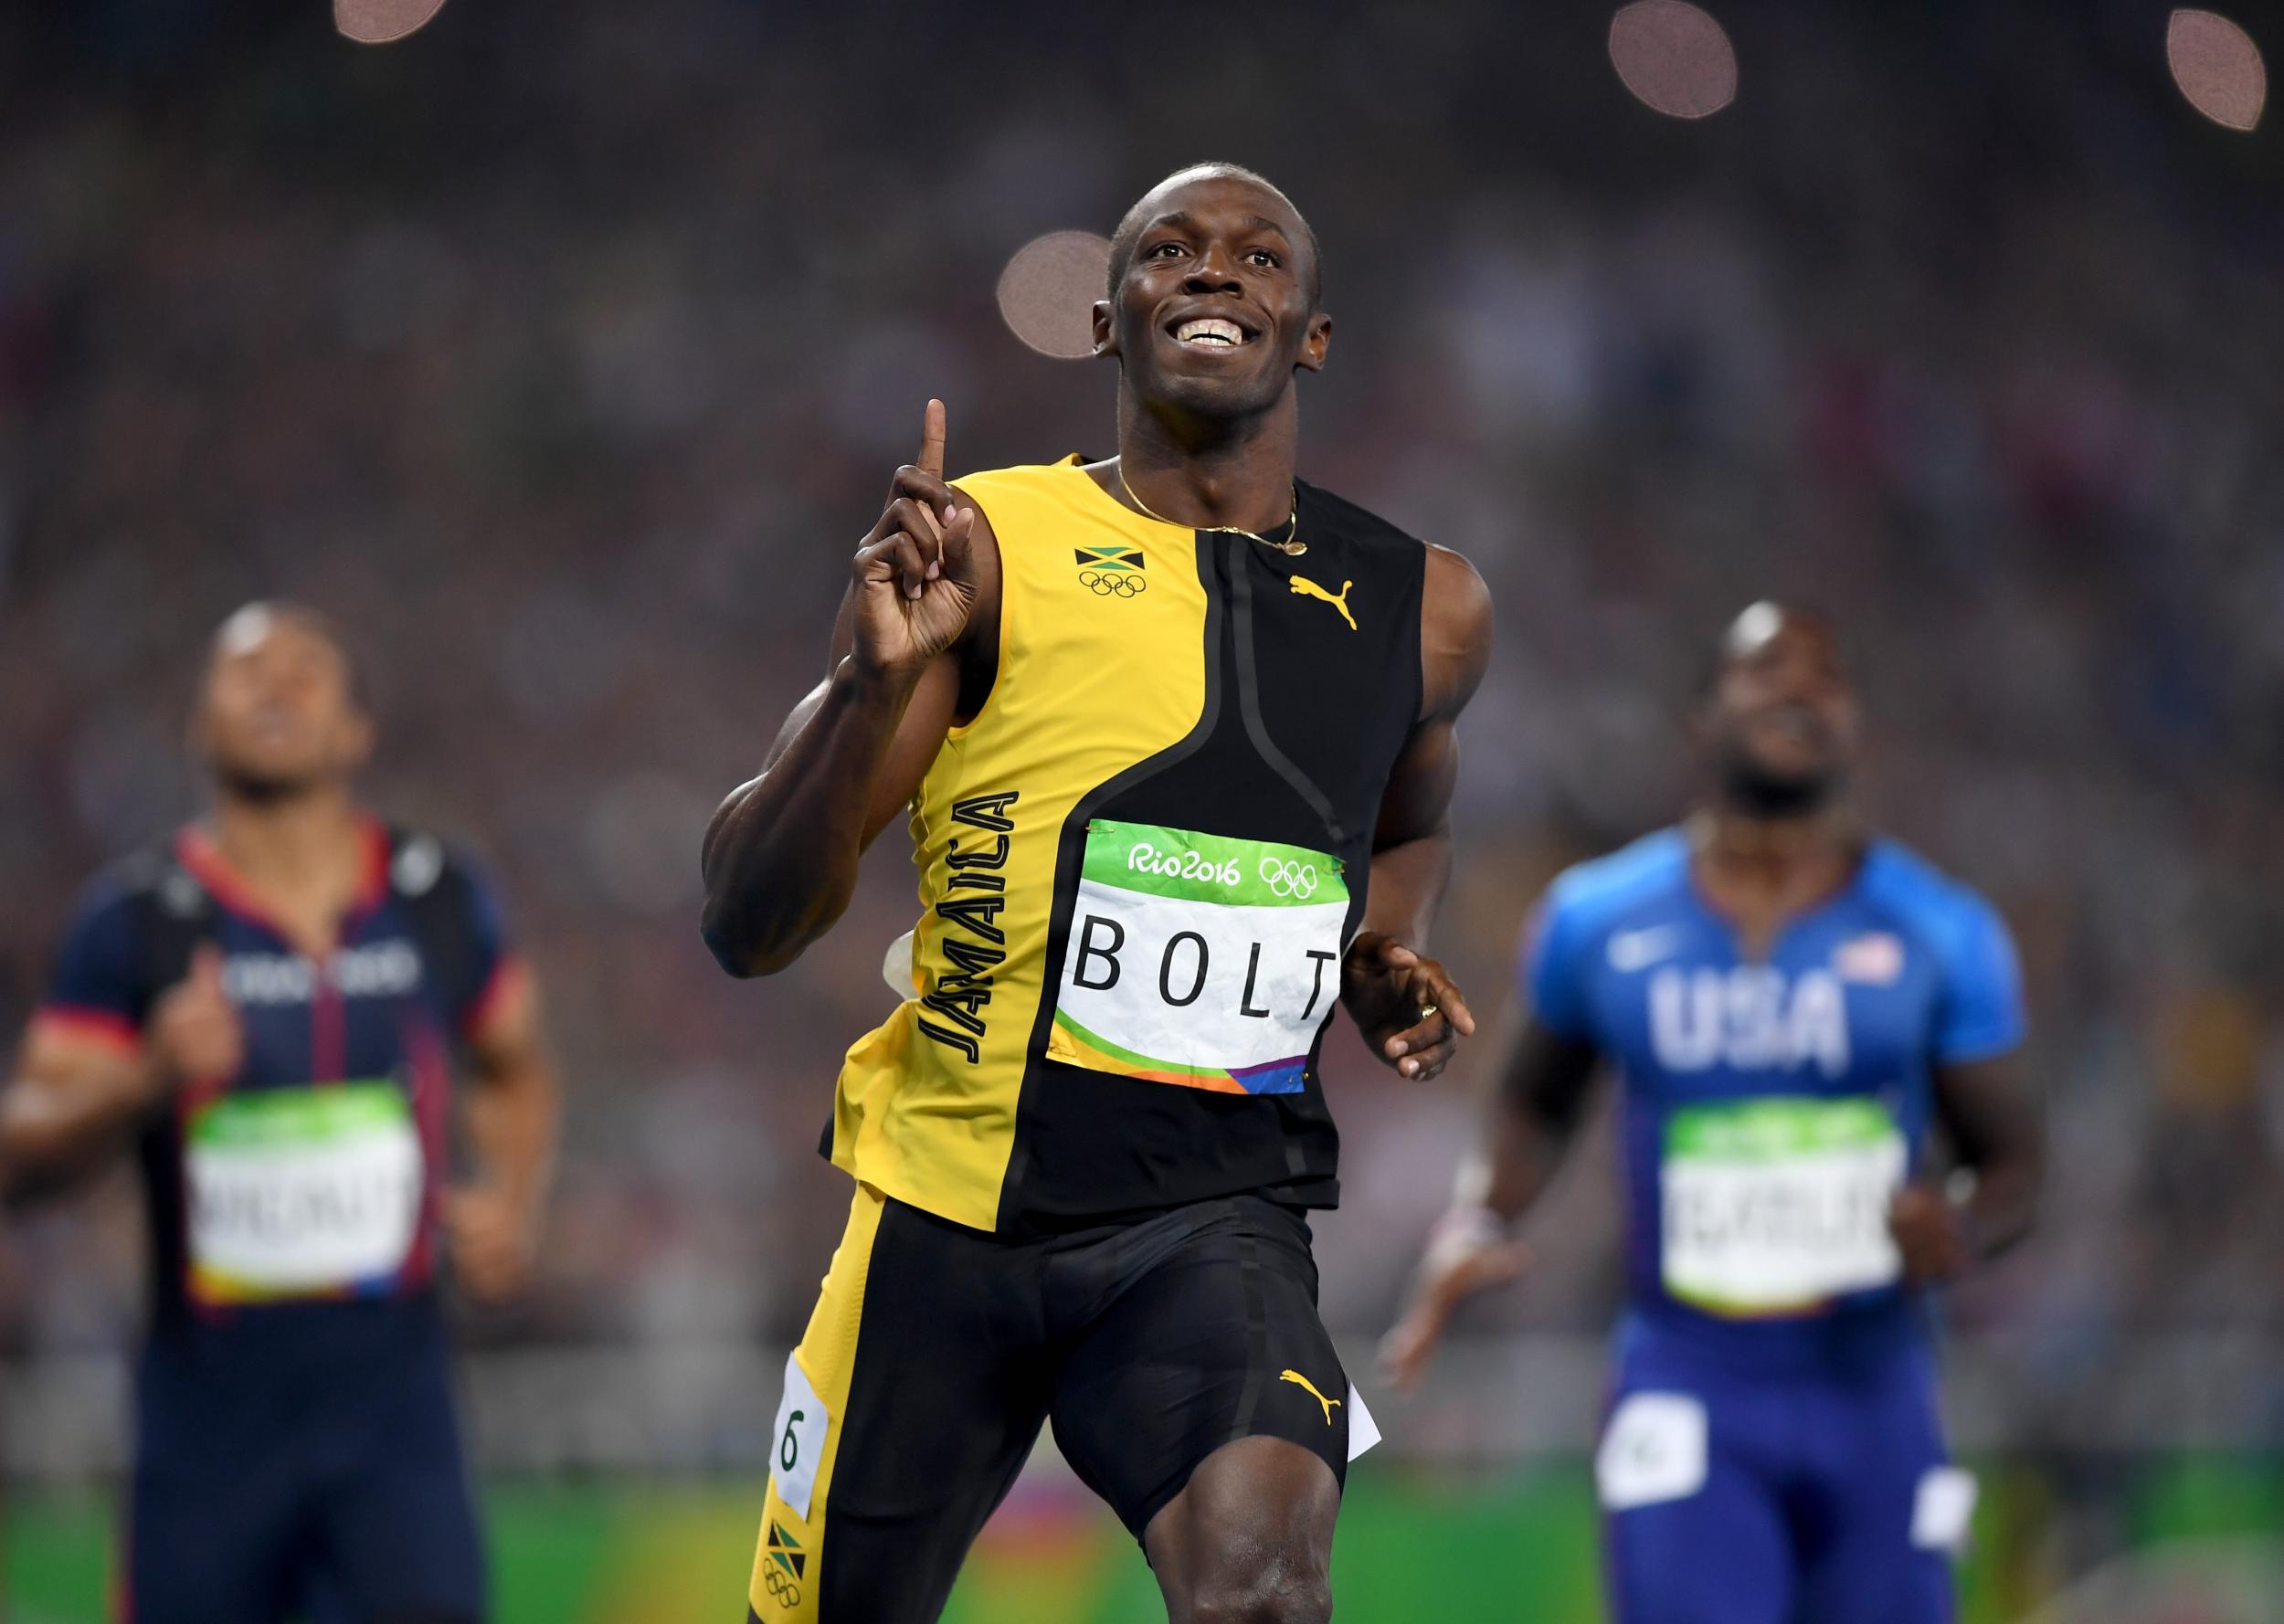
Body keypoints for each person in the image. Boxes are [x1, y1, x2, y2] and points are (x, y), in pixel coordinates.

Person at [701, 161, 1493, 1624]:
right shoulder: (978, 554)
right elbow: (748, 922)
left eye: (1260, 257)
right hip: (947, 1213)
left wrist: (1390, 943)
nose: (1214, 274)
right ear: (1101, 319)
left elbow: (1412, 816)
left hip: (1215, 1220)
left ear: (1311, 330)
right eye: (1170, 251)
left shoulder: (1427, 608)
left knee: (1264, 1582)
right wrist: (869, 688)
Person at [1381, 602, 2045, 1624]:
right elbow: (1530, 1106)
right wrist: (1479, 1218)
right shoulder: (1598, 920)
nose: (1799, 690)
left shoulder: (1939, 931)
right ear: (1700, 717)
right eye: (1768, 666)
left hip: (1876, 1393)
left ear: (1856, 724)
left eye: (1826, 678)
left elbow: (2012, 1166)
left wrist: (1956, 1222)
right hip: (1686, 1384)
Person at [2, 603, 558, 1624]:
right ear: (197, 726)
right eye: (245, 670)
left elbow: (514, 1066)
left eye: (307, 671)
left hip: (399, 1420)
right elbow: (18, 1147)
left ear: (356, 731)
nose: (276, 685)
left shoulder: (438, 895)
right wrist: (143, 1074)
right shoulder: (136, 921)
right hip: (208, 1426)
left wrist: (510, 1200)